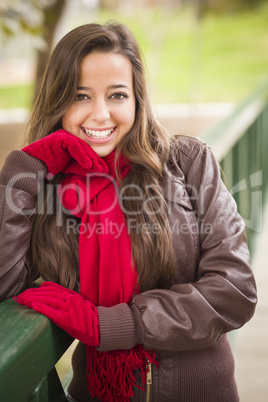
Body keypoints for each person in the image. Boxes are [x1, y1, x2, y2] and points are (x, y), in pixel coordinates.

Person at [0, 21, 257, 402]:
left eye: (117, 95)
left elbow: (235, 290)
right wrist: (24, 172)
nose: (100, 115)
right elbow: (6, 283)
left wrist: (112, 325)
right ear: (57, 101)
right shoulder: (46, 187)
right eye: (80, 96)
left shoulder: (188, 162)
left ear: (137, 98)